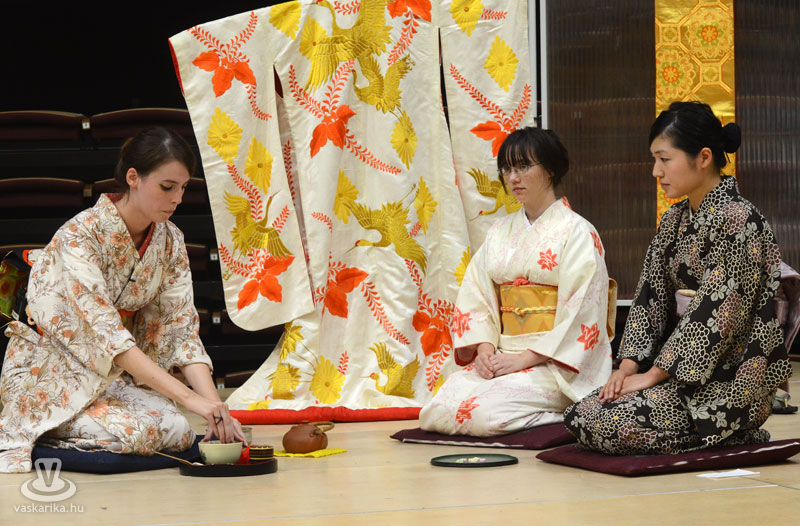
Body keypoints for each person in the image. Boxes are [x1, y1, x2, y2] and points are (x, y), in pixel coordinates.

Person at [0, 127, 246, 473]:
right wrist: (191, 400)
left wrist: (215, 410)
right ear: (133, 178)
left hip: (114, 374)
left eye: (183, 188)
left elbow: (180, 331)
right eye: (167, 187)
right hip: (53, 367)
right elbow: (107, 336)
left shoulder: (171, 241)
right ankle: (38, 429)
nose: (177, 198)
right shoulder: (79, 235)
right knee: (136, 432)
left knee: (176, 428)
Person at [564, 102, 793, 455]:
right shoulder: (674, 220)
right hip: (676, 370)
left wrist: (653, 375)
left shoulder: (740, 220)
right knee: (581, 414)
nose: (656, 171)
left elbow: (717, 312)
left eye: (664, 159)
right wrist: (627, 368)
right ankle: (711, 433)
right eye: (655, 160)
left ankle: (737, 432)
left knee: (608, 424)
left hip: (729, 377)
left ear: (703, 158)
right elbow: (650, 296)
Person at [419, 127, 612, 436]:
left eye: (523, 166)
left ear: (550, 169)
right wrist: (485, 351)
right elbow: (477, 295)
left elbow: (582, 311)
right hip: (503, 356)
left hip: (555, 363)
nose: (513, 178)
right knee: (436, 411)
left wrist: (525, 359)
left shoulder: (578, 232)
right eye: (507, 169)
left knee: (484, 415)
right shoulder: (499, 231)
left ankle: (564, 417)